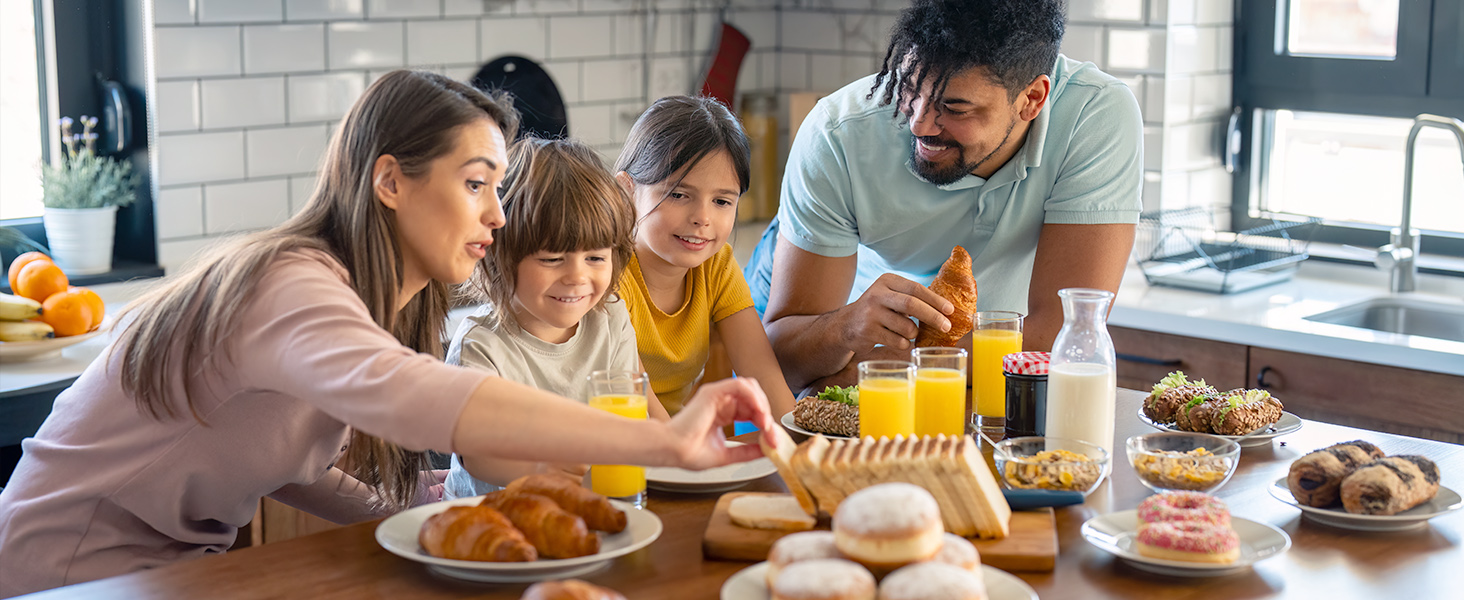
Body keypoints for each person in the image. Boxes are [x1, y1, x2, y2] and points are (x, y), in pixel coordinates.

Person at [0, 71, 773, 597]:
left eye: (497, 189)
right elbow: (412, 398)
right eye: (477, 185)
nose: (497, 216)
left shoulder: (369, 301)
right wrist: (664, 444)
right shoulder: (289, 284)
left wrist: (411, 515)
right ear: (391, 181)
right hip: (73, 574)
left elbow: (286, 458)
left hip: (166, 571)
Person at [747, 0, 1143, 391]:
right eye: (908, 89)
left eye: (954, 108)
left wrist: (895, 369)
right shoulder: (837, 135)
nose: (918, 123)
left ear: (1032, 100)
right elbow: (785, 358)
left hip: (918, 360)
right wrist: (846, 328)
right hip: (834, 316)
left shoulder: (1095, 117)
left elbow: (1060, 336)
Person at [442, 137, 671, 499]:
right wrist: (556, 470)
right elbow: (479, 457)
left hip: (595, 504)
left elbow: (635, 413)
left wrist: (682, 451)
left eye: (595, 258)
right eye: (551, 259)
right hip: (498, 518)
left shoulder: (609, 319)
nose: (577, 277)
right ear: (498, 255)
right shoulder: (481, 345)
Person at [613, 96, 798, 420]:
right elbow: (635, 400)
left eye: (722, 202)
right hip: (607, 452)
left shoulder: (716, 265)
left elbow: (763, 376)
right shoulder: (608, 274)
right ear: (627, 190)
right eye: (679, 195)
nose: (703, 218)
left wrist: (807, 454)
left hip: (668, 448)